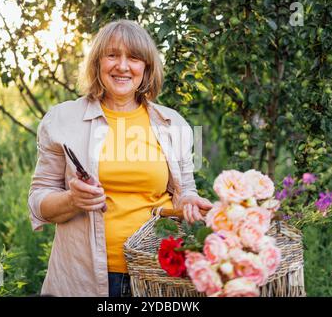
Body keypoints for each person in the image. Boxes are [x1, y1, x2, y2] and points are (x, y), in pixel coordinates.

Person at [28, 19, 213, 297]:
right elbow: (38, 200)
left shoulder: (172, 123)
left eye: (134, 58)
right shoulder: (63, 119)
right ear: (97, 62)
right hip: (84, 279)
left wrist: (188, 202)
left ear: (146, 67)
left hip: (156, 273)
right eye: (112, 55)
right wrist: (72, 200)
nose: (123, 66)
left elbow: (184, 191)